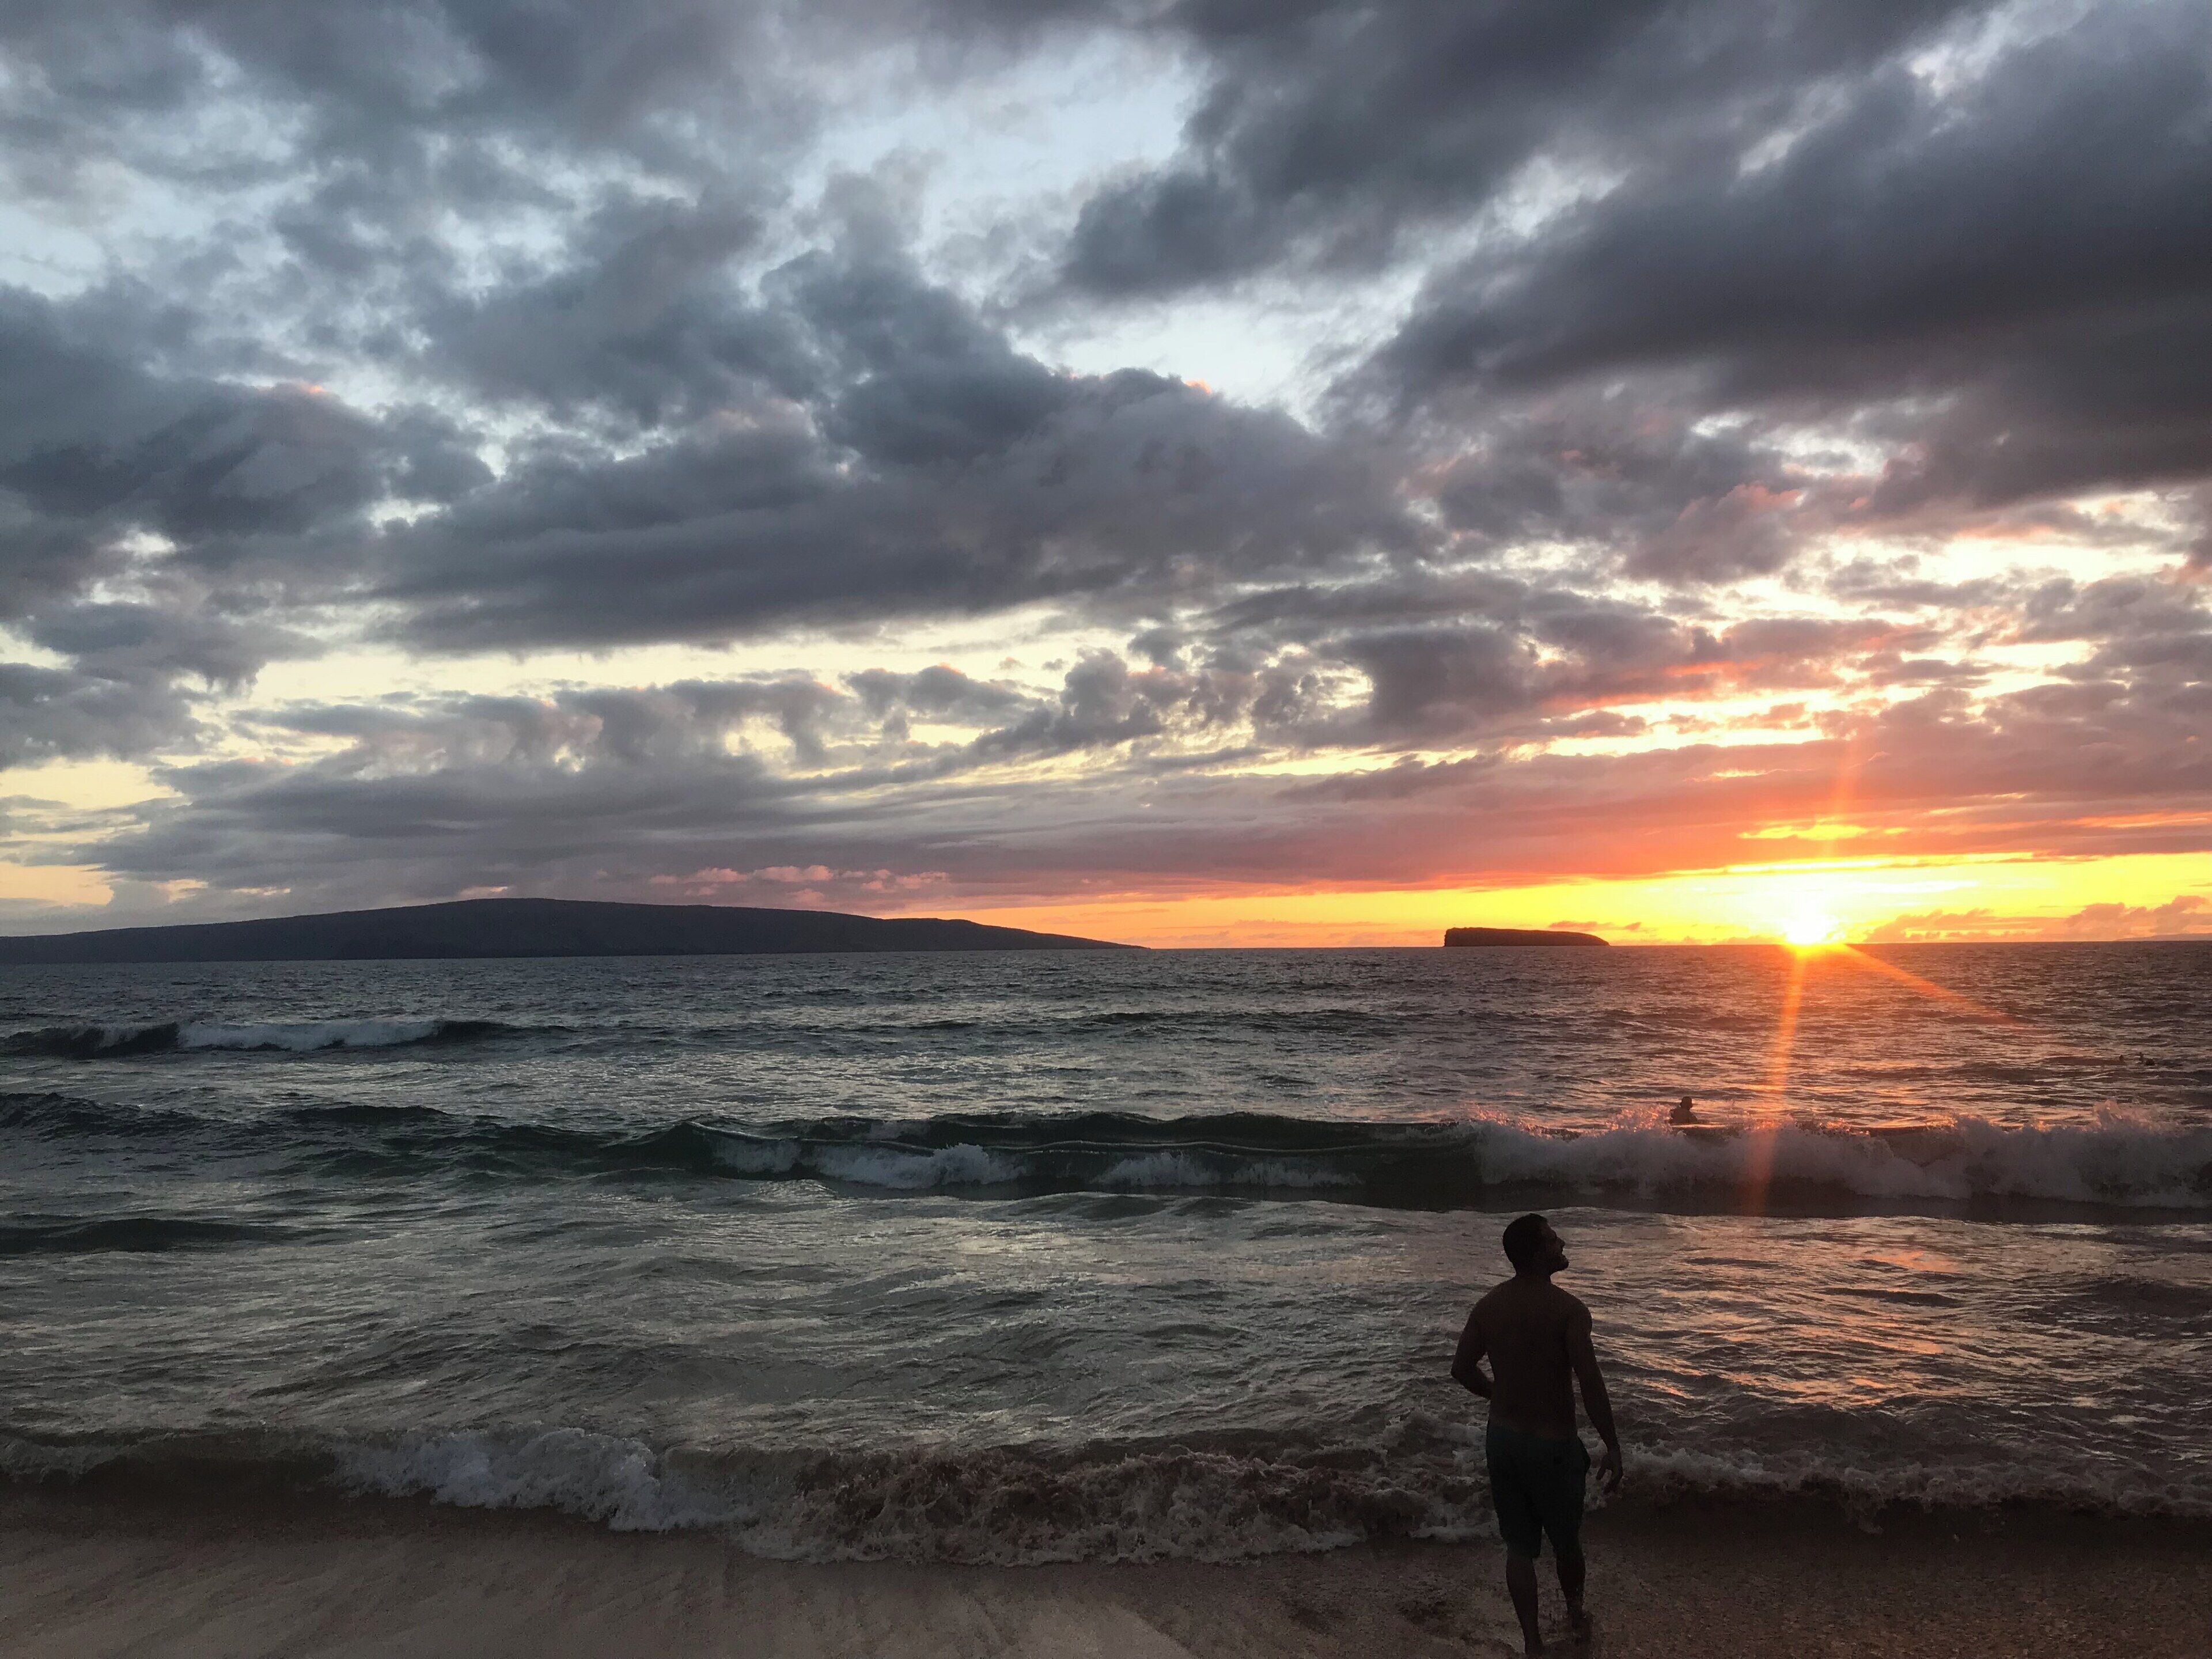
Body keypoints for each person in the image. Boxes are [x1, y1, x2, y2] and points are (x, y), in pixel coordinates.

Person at [1451, 1213, 1623, 1656]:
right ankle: (1575, 1614)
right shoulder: (1568, 1310)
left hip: (1503, 1441)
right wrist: (1613, 1445)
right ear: (1534, 1254)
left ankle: (1532, 1643)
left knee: (1519, 1547)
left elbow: (1461, 1368)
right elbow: (1590, 1382)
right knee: (1567, 1543)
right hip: (1553, 1448)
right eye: (1552, 1240)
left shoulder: (1489, 1306)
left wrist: (1497, 1394)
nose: (1562, 1242)